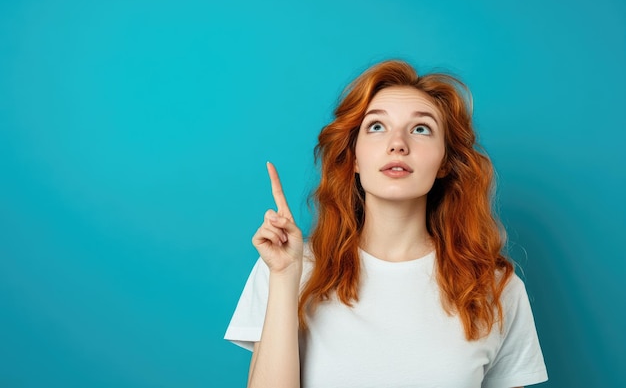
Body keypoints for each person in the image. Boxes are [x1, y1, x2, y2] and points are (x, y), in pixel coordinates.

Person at [224, 60, 548, 388]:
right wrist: (283, 278)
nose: (398, 143)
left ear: (444, 163)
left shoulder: (495, 289)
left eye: (421, 129)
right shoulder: (286, 268)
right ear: (353, 158)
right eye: (377, 127)